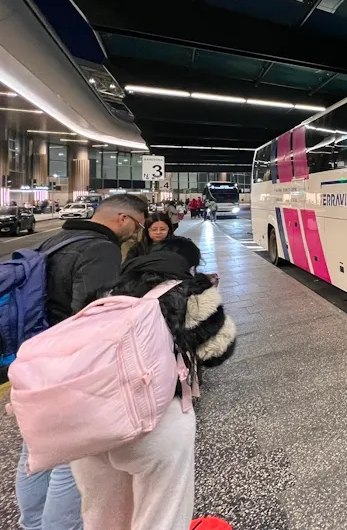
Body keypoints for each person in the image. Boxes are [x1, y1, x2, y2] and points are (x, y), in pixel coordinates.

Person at [70, 237, 236, 530]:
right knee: (162, 517)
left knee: (103, 518)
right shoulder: (192, 290)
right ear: (191, 265)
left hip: (89, 423)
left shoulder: (105, 292)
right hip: (156, 421)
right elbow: (216, 352)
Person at [16, 193, 148, 530]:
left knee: (35, 456)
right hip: (71, 369)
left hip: (35, 361)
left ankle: (32, 524)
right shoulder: (101, 249)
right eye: (136, 227)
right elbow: (95, 320)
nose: (134, 236)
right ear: (123, 219)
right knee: (73, 463)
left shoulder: (58, 240)